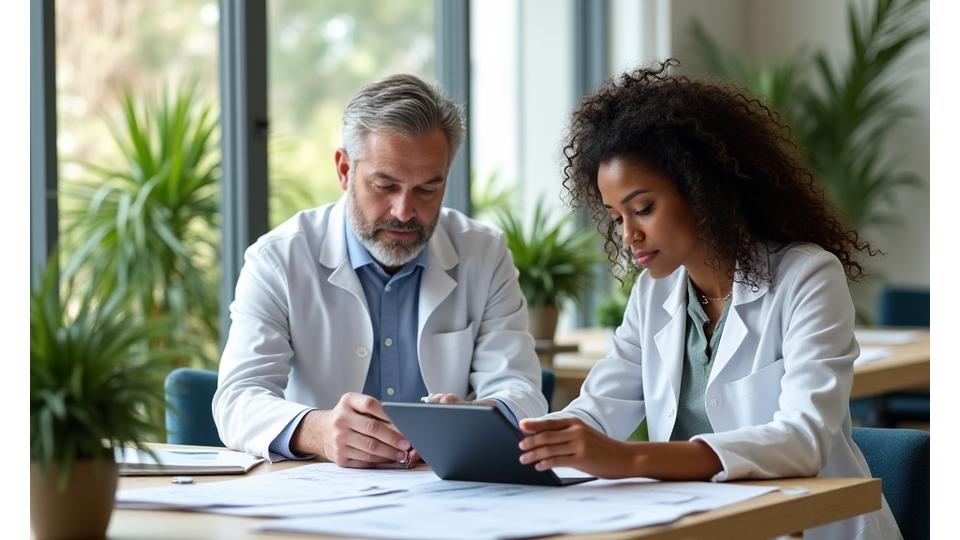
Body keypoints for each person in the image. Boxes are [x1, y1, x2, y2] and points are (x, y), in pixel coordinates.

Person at [517, 60, 901, 539]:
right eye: (617, 218)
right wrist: (503, 440)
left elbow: (802, 441)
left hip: (806, 527)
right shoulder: (654, 293)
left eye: (643, 209)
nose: (629, 234)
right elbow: (596, 411)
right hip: (698, 524)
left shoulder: (807, 275)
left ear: (702, 189)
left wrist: (629, 457)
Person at [214, 74, 547, 468]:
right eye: (385, 185)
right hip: (320, 497)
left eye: (427, 189)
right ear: (344, 170)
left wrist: (476, 417)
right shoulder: (278, 259)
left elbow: (521, 388)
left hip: (445, 494)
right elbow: (237, 398)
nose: (404, 211)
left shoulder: (484, 253)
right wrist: (318, 431)